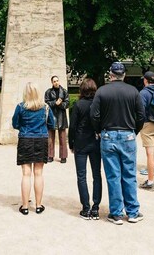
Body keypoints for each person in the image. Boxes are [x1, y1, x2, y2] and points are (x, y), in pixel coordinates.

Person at [90, 62, 145, 225]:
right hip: (128, 134)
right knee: (129, 174)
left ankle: (116, 213)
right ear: (124, 75)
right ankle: (133, 211)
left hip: (108, 135)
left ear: (111, 75)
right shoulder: (133, 91)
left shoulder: (102, 91)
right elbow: (141, 115)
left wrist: (99, 130)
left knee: (113, 175)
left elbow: (94, 115)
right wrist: (134, 131)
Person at [12, 82, 56, 215]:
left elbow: (15, 124)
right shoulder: (46, 108)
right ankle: (38, 205)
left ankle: (25, 206)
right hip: (41, 139)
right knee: (39, 173)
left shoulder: (20, 107)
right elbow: (52, 124)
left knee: (26, 174)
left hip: (25, 138)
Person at [68, 78, 102, 220]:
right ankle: (95, 207)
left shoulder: (78, 105)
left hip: (81, 142)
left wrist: (71, 143)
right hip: (95, 141)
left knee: (81, 176)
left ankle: (86, 207)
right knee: (96, 175)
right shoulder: (98, 104)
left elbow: (73, 126)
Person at [44, 75, 69, 163]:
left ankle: (63, 157)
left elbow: (67, 104)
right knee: (50, 138)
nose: (56, 82)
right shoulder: (48, 92)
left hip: (62, 117)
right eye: (54, 81)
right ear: (52, 82)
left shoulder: (64, 92)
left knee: (62, 138)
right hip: (52, 116)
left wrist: (60, 104)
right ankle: (50, 155)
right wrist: (55, 103)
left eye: (57, 80)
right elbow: (46, 103)